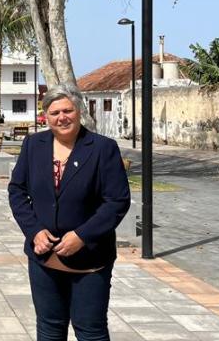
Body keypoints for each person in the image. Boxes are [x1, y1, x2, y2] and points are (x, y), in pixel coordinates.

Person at [8, 84, 130, 341]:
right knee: (49, 328)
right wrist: (34, 231)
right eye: (54, 113)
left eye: (67, 110)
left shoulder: (102, 148)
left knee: (90, 331)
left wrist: (82, 235)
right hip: (44, 257)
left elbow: (117, 201)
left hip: (89, 259)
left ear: (79, 111)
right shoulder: (33, 145)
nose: (62, 117)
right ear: (46, 116)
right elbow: (17, 191)